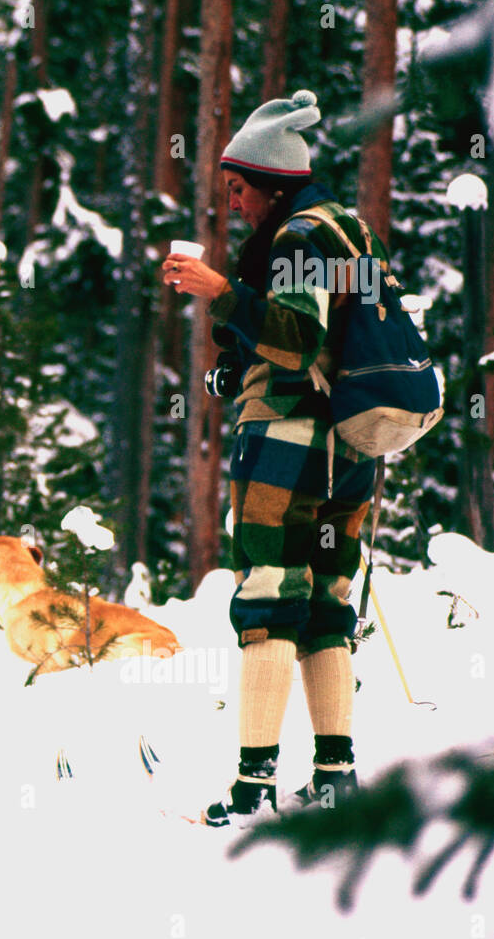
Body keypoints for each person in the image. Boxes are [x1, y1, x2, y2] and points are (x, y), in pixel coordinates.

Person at [162, 89, 380, 826]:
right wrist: (235, 363)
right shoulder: (347, 228)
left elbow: (295, 337)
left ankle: (254, 788)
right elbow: (330, 332)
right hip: (350, 442)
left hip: (288, 439)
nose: (233, 204)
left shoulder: (295, 238)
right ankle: (334, 774)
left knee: (267, 599)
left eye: (238, 188)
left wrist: (221, 293)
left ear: (272, 182)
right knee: (325, 604)